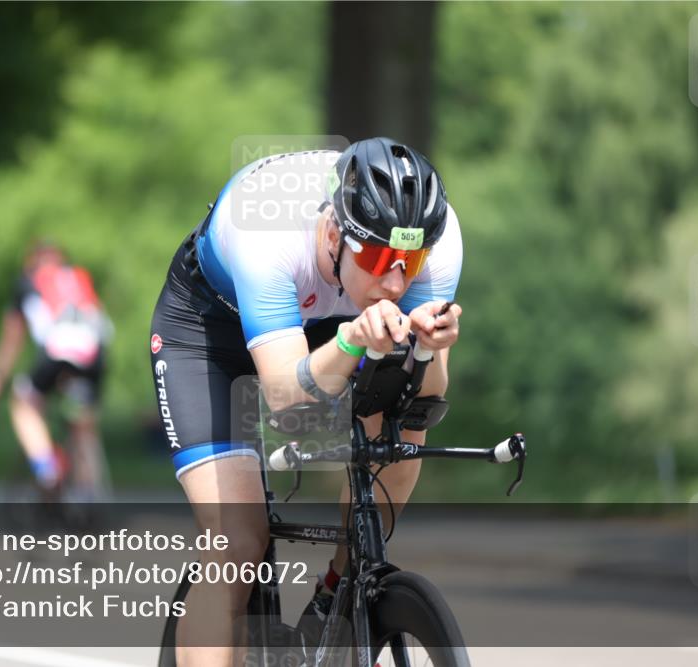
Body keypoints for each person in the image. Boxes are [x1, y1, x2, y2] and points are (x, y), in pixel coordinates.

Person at [148, 137, 463, 665]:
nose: (395, 279)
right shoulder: (265, 231)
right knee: (236, 543)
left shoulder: (440, 237)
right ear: (335, 232)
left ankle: (341, 586)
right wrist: (351, 342)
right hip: (208, 330)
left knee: (407, 421)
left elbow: (426, 395)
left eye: (411, 260)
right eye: (382, 257)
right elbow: (287, 404)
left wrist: (426, 353)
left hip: (331, 322)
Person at [0, 241, 113, 500]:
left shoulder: (27, 282)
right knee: (83, 421)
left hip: (57, 352)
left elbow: (13, 339)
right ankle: (89, 491)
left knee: (23, 401)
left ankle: (47, 469)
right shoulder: (78, 278)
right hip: (95, 355)